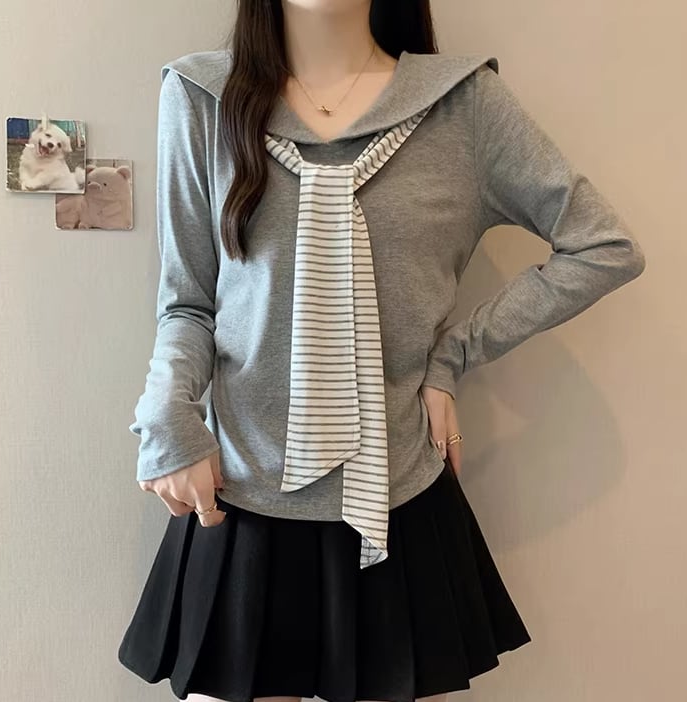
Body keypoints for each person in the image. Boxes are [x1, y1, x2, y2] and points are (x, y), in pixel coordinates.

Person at [117, 1, 646, 700]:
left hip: (397, 510)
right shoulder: (201, 98)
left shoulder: (464, 107)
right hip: (237, 500)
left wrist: (451, 357)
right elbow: (188, 303)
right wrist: (167, 414)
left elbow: (602, 247)